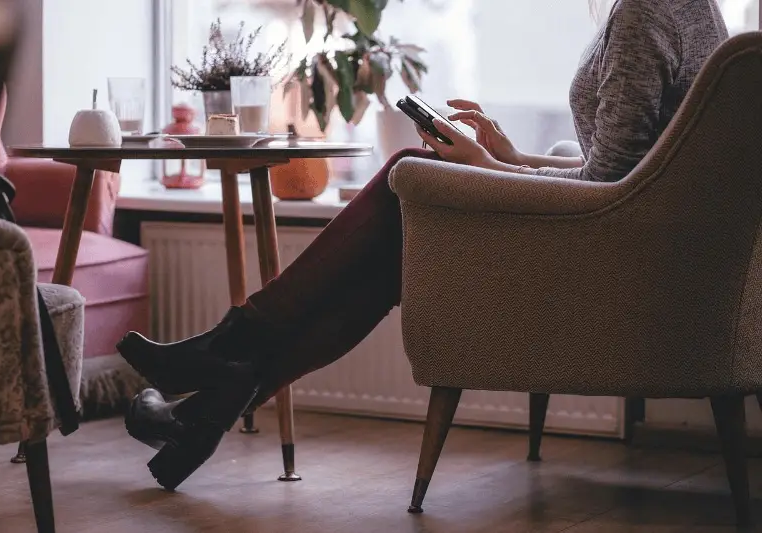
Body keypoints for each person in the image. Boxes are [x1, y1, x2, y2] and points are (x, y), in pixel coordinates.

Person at [118, 0, 729, 490]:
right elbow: (628, 178)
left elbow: (610, 188)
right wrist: (510, 159)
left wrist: (487, 163)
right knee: (391, 252)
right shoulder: (695, 13)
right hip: (633, 254)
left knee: (405, 172)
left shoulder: (646, 13)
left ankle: (221, 362)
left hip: (600, 271)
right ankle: (209, 405)